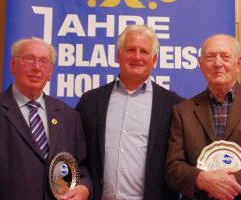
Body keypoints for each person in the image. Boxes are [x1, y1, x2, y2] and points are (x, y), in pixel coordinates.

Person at [76, 24, 184, 200]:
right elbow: (77, 158)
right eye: (130, 49)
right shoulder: (89, 102)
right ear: (118, 55)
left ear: (154, 59)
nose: (137, 56)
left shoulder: (174, 106)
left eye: (144, 51)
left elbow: (179, 165)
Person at [0, 37, 92, 200]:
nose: (37, 67)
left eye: (44, 62)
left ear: (50, 72)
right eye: (29, 59)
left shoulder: (69, 116)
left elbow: (81, 167)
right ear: (13, 65)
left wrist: (84, 188)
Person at [165, 34, 241, 199]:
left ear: (238, 64)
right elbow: (173, 168)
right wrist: (202, 179)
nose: (217, 63)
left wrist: (230, 183)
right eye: (210, 57)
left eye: (225, 56)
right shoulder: (182, 111)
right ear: (201, 65)